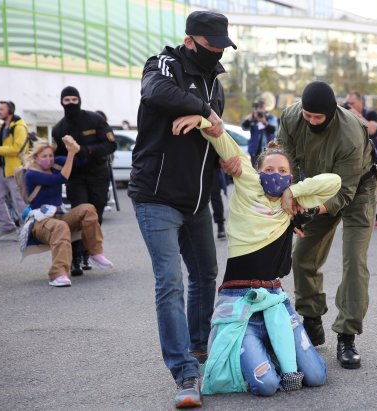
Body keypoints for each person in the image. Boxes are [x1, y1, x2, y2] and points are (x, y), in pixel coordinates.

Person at [172, 114, 339, 396]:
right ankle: (255, 350)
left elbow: (333, 182)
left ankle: (271, 348)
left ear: (290, 176)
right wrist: (201, 117)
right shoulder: (247, 181)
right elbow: (220, 138)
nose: (275, 174)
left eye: (282, 171)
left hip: (275, 302)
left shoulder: (295, 201)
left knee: (316, 376)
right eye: (269, 169)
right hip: (240, 305)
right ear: (258, 171)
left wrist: (292, 192)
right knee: (267, 385)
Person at [127, 10, 237, 409]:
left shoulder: (215, 83)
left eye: (223, 46)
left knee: (207, 274)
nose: (218, 53)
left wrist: (224, 150)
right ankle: (184, 372)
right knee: (170, 282)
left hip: (197, 200)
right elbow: (156, 92)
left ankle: (198, 345)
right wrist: (204, 112)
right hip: (156, 197)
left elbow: (214, 133)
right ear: (190, 40)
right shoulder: (163, 63)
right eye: (212, 46)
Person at [277, 81, 377, 370]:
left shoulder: (350, 134)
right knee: (302, 255)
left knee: (354, 262)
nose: (310, 122)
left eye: (317, 118)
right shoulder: (292, 117)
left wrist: (311, 210)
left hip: (358, 190)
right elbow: (285, 162)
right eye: (307, 115)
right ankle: (311, 318)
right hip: (318, 186)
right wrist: (291, 201)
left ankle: (347, 336)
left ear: (331, 112)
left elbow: (344, 193)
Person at [19, 137, 113, 287]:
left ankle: (95, 253)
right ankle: (58, 274)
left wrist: (76, 148)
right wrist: (70, 154)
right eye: (44, 156)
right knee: (60, 227)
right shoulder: (31, 174)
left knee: (88, 209)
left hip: (60, 215)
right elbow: (61, 178)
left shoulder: (57, 163)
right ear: (36, 158)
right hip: (40, 222)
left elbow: (81, 161)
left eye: (50, 155)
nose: (49, 159)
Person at [52, 86, 116, 277]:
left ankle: (88, 251)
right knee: (80, 213)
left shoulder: (95, 119)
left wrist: (86, 150)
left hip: (98, 174)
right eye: (67, 100)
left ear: (79, 100)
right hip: (76, 178)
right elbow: (58, 157)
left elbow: (111, 144)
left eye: (74, 99)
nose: (71, 103)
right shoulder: (58, 129)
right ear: (61, 102)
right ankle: (75, 257)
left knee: (96, 214)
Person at [345, 91, 377, 229]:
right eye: (348, 103)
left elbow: (372, 129)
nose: (350, 106)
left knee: (373, 184)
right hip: (355, 155)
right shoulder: (346, 114)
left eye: (352, 103)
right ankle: (356, 216)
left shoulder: (370, 113)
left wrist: (355, 114)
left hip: (372, 155)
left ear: (361, 102)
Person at [0, 101, 30, 241]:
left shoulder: (19, 126)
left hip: (16, 170)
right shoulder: (4, 126)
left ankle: (27, 230)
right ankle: (7, 228)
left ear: (10, 110)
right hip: (3, 170)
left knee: (20, 202)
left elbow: (18, 149)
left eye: (1, 109)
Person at [241, 98, 277, 167]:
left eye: (261, 107)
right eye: (258, 107)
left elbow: (274, 131)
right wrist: (250, 119)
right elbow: (244, 127)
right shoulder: (253, 117)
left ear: (265, 107)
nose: (259, 109)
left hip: (267, 150)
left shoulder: (271, 118)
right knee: (255, 172)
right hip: (254, 150)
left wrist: (264, 122)